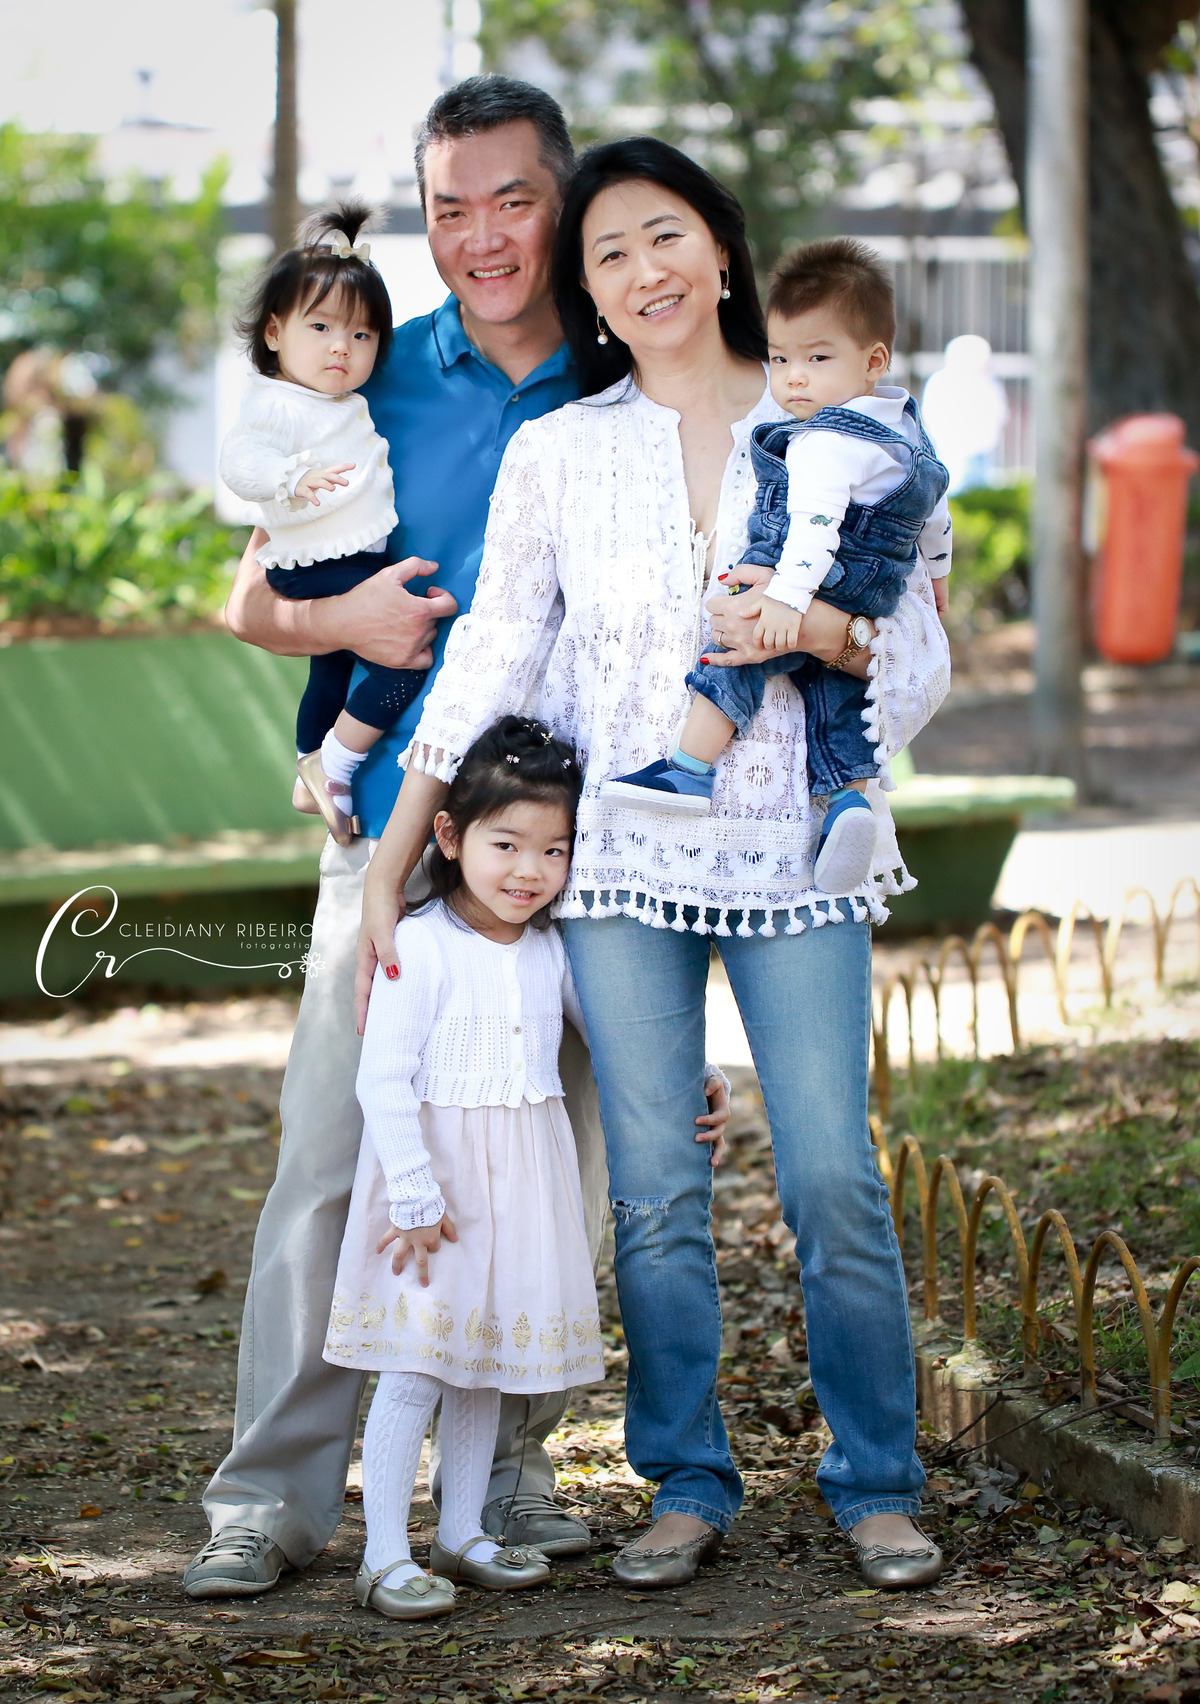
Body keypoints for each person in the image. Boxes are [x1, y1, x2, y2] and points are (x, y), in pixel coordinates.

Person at [357, 136, 950, 1594]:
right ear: (591, 291)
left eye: (665, 234)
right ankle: (685, 1479)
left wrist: (816, 633)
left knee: (832, 1175)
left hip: (799, 852)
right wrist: (393, 857)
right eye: (608, 253)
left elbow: (921, 660)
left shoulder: (854, 426)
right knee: (655, 1194)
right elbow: (498, 655)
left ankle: (879, 1483)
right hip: (622, 856)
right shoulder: (562, 449)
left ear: (724, 250)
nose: (643, 270)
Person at [186, 78, 728, 1604]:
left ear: (565, 201)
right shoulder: (369, 371)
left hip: (574, 850)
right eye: (448, 210)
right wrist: (339, 621)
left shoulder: (632, 370)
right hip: (391, 837)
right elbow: (249, 597)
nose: (480, 237)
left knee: (547, 1166)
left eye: (511, 202)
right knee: (330, 1157)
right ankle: (273, 1495)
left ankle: (512, 1476)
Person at [331, 718, 611, 1620]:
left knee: (484, 1361)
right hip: (438, 1188)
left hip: (521, 1185)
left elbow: (612, 1037)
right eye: (507, 845)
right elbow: (383, 1079)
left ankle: (461, 1534)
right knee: (418, 1363)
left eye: (553, 850)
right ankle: (382, 1554)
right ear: (450, 837)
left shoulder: (550, 949)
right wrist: (414, 1192)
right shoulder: (420, 943)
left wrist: (699, 1073)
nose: (530, 870)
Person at [601, 238, 952, 898]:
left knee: (737, 646)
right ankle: (847, 802)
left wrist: (785, 604)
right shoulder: (910, 433)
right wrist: (938, 580)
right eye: (782, 358)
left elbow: (814, 528)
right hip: (873, 591)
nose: (794, 378)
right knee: (840, 698)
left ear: (873, 360)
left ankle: (688, 767)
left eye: (818, 358)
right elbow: (936, 518)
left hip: (810, 573)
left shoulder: (822, 439)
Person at [221, 201, 417, 844]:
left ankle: (311, 767)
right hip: (318, 563)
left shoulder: (340, 400)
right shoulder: (277, 402)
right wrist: (289, 479)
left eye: (362, 335)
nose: (342, 346)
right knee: (404, 656)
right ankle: (336, 762)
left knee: (330, 668)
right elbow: (239, 461)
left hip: (344, 555)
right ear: (275, 332)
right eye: (322, 327)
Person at [921, 333, 1009, 496]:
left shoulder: (989, 382)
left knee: (981, 497)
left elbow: (999, 414)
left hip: (983, 452)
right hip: (953, 453)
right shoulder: (942, 381)